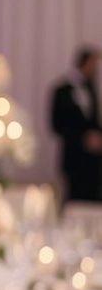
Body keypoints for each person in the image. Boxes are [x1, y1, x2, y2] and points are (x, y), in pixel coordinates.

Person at [50, 46, 102, 203]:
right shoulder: (61, 90)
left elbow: (94, 120)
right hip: (74, 156)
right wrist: (82, 138)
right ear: (84, 63)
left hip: (94, 160)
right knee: (75, 198)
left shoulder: (91, 88)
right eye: (94, 64)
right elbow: (56, 125)